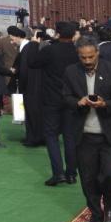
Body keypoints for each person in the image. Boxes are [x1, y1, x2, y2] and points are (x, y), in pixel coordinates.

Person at [62, 35, 111, 222]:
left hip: (110, 135)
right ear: (78, 56)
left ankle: (110, 210)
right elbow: (65, 97)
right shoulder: (70, 72)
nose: (88, 61)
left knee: (110, 175)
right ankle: (96, 214)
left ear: (97, 53)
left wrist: (104, 103)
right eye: (83, 57)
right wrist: (77, 102)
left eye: (91, 57)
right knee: (88, 178)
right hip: (84, 136)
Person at [29, 21, 81, 185]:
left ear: (57, 33)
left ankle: (58, 173)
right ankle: (72, 173)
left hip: (51, 99)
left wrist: (33, 44)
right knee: (70, 137)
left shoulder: (50, 50)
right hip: (72, 99)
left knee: (51, 136)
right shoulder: (77, 51)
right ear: (73, 35)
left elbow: (32, 63)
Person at [9, 26, 44, 147]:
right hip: (34, 86)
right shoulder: (28, 47)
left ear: (19, 36)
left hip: (30, 87)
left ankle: (33, 138)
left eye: (12, 38)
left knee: (31, 113)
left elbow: (24, 71)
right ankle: (34, 136)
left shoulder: (27, 48)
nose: (11, 41)